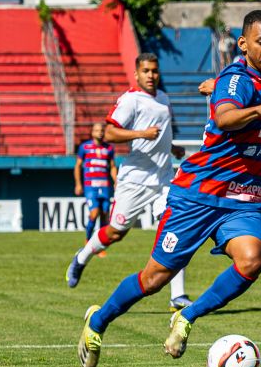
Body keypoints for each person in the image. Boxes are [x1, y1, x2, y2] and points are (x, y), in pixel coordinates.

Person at [76, 10, 261, 367]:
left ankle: (186, 316)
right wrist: (256, 109)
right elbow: (225, 116)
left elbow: (227, 94)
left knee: (252, 260)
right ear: (243, 44)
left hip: (241, 201)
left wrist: (221, 86)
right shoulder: (239, 79)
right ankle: (97, 322)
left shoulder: (256, 80)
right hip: (197, 195)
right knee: (154, 279)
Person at [65, 53, 192, 314]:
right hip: (135, 179)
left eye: (154, 70)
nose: (150, 75)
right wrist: (140, 134)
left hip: (164, 177)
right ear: (136, 74)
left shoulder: (164, 99)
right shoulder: (130, 100)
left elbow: (161, 137)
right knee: (115, 232)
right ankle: (81, 257)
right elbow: (109, 132)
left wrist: (173, 147)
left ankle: (177, 296)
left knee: (176, 229)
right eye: (145, 71)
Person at [74, 123, 117, 246]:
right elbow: (77, 166)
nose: (100, 132)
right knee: (94, 213)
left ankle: (100, 244)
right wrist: (78, 184)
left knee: (104, 215)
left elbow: (112, 167)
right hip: (90, 186)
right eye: (97, 130)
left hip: (104, 186)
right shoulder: (85, 147)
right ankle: (88, 240)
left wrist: (116, 181)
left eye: (102, 130)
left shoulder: (108, 148)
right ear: (92, 132)